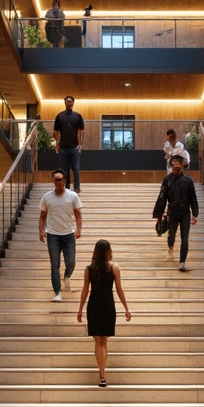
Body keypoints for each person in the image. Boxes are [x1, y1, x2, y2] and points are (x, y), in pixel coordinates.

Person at [77, 239, 131, 387]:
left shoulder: (89, 269)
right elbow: (119, 289)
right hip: (108, 304)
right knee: (104, 340)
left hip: (94, 304)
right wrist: (126, 308)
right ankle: (102, 373)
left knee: (97, 340)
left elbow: (85, 290)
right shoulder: (115, 268)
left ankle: (102, 374)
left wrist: (80, 309)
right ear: (109, 251)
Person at [38, 169, 82, 302]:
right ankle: (57, 292)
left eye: (60, 179)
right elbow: (42, 216)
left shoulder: (73, 196)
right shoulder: (46, 197)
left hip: (68, 234)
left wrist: (79, 229)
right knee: (54, 265)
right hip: (52, 235)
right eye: (56, 179)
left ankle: (67, 275)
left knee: (71, 262)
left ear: (64, 181)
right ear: (53, 181)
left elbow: (78, 215)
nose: (58, 182)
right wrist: (41, 231)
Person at [152, 155, 199, 272]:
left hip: (185, 213)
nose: (176, 165)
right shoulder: (167, 179)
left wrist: (195, 214)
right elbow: (162, 197)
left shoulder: (188, 180)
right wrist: (159, 213)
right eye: (174, 163)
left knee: (185, 238)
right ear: (171, 165)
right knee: (171, 235)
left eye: (178, 163)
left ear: (182, 165)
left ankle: (182, 262)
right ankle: (170, 248)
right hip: (172, 212)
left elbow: (193, 198)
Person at [52, 95, 84, 192]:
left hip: (74, 147)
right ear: (64, 102)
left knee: (76, 169)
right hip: (63, 148)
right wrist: (57, 145)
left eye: (70, 101)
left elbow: (80, 132)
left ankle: (77, 188)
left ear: (73, 103)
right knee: (64, 170)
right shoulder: (59, 116)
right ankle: (66, 188)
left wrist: (80, 145)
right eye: (67, 101)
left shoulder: (78, 116)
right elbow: (56, 132)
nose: (69, 102)